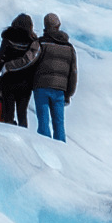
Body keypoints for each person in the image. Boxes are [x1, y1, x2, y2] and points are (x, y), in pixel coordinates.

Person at [33, 13, 77, 142]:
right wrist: (68, 94)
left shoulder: (40, 43)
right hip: (59, 90)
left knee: (43, 122)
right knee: (59, 124)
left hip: (41, 86)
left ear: (45, 26)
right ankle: (61, 152)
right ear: (58, 26)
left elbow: (32, 64)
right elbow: (73, 73)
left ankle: (45, 151)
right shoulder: (69, 48)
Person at [0, 13, 40, 129]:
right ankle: (23, 140)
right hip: (25, 83)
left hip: (8, 81)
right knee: (22, 114)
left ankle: (8, 139)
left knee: (8, 113)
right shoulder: (33, 41)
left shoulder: (8, 37)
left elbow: (0, 59)